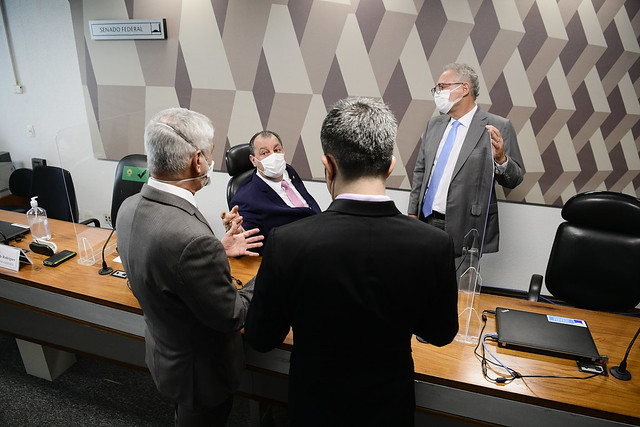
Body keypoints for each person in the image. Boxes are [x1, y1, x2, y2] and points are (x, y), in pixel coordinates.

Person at [244, 98, 459, 425]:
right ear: (390, 166)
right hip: (390, 408)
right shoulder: (434, 244)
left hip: (315, 409)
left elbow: (261, 338)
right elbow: (441, 333)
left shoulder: (287, 242)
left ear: (328, 166)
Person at [116, 107, 263, 426]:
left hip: (166, 355)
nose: (210, 161)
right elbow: (232, 315)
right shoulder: (191, 239)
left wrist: (217, 251)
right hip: (200, 376)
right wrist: (267, 275)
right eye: (210, 154)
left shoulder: (128, 208)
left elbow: (165, 271)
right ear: (197, 160)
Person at [408, 63, 524, 258]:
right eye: (436, 88)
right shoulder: (434, 124)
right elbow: (420, 170)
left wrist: (501, 159)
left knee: (456, 279)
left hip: (466, 226)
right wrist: (412, 212)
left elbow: (514, 180)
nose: (438, 93)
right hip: (425, 221)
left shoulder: (497, 126)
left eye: (442, 87)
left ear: (464, 89)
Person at [221, 130, 321, 253]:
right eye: (264, 153)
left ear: (283, 152)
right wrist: (239, 231)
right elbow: (247, 238)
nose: (273, 156)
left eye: (277, 150)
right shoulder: (245, 198)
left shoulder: (288, 171)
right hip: (295, 252)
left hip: (320, 235)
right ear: (253, 160)